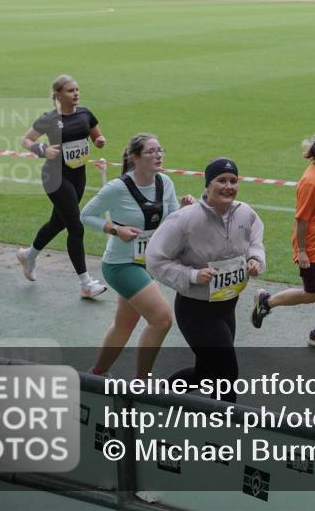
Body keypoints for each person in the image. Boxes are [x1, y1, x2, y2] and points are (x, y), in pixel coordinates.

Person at [147, 157, 265, 403]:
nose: (228, 186)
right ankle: (223, 433)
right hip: (196, 310)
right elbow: (155, 260)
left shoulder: (244, 212)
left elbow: (255, 240)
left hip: (227, 305)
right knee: (227, 374)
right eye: (221, 180)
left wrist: (254, 258)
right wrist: (192, 275)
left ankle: (156, 400)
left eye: (233, 181)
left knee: (205, 373)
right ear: (208, 185)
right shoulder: (185, 219)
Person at [81, 134, 194, 379]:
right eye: (151, 152)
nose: (158, 155)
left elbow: (171, 221)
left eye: (160, 150)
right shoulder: (117, 188)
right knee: (162, 320)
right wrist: (116, 229)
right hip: (121, 265)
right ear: (135, 157)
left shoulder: (165, 182)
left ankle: (96, 374)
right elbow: (86, 216)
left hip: (147, 264)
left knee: (124, 325)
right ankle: (141, 383)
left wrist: (184, 210)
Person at [251, 130, 315, 348]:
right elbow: (302, 219)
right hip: (312, 246)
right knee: (311, 294)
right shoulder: (311, 181)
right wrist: (302, 250)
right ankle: (267, 302)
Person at [17, 75, 108, 298]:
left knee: (58, 222)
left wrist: (99, 141)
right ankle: (85, 283)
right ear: (58, 94)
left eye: (77, 89)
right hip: (55, 177)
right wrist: (42, 150)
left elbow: (96, 135)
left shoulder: (85, 113)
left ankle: (29, 255)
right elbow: (26, 140)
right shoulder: (49, 118)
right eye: (70, 90)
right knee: (75, 227)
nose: (75, 93)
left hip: (78, 176)